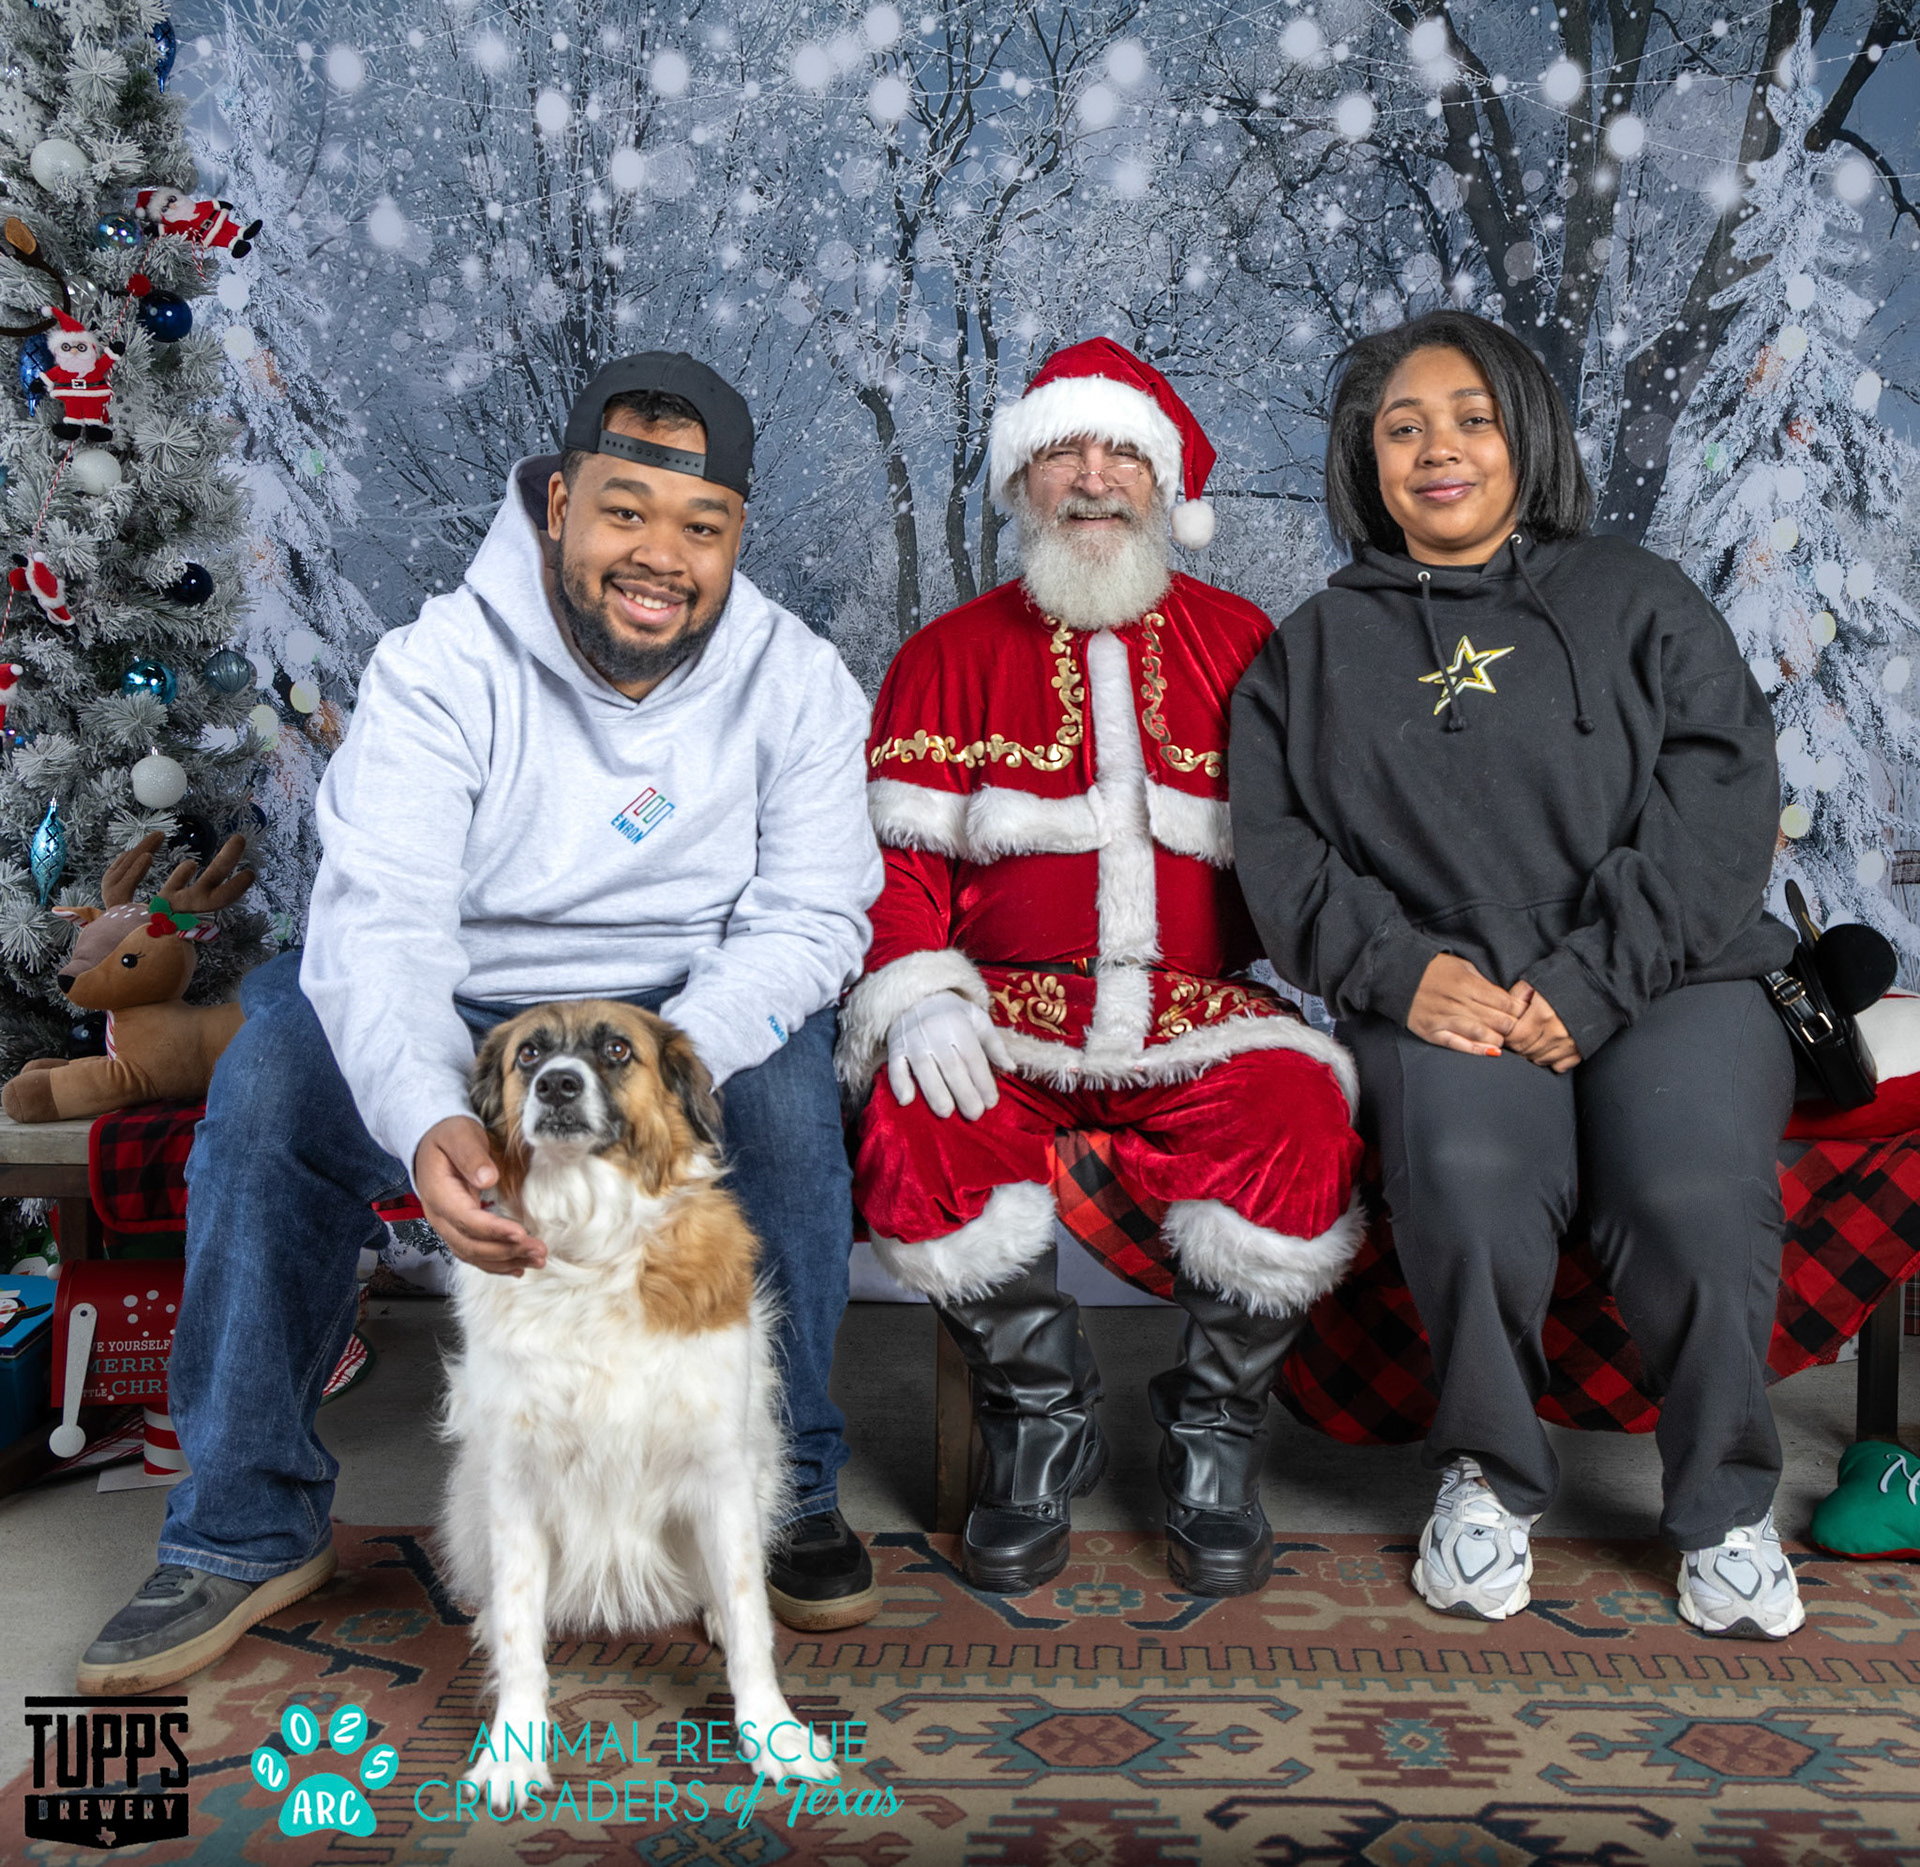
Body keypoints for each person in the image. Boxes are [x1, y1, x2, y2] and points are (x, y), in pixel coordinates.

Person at [78, 353, 885, 1695]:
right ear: (559, 503)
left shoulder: (797, 681)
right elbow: (380, 923)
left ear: (737, 535)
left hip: (684, 1011)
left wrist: (673, 1056)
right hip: (460, 998)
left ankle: (784, 1483)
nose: (662, 557)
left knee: (791, 1110)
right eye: (625, 511)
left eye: (702, 527)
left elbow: (812, 916)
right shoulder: (440, 666)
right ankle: (243, 1522)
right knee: (272, 1083)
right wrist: (426, 1113)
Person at [1230, 309, 1804, 1638]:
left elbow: (1722, 801)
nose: (1440, 449)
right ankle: (1488, 1476)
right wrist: (1396, 969)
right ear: (1366, 460)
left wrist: (1598, 978)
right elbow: (1283, 853)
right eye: (1404, 427)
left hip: (1674, 972)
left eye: (1471, 419)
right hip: (1449, 990)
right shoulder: (1308, 653)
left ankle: (1725, 1504)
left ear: (1524, 437)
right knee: (1472, 1171)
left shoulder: (1640, 596)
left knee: (1688, 1188)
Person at [843, 338, 1365, 1598]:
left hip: (1202, 1012)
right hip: (1006, 1009)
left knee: (1303, 1112)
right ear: (1021, 482)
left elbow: (1314, 860)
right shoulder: (947, 654)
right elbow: (896, 867)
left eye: (1121, 452)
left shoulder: (1246, 646)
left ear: (1164, 484)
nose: (1091, 477)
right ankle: (1036, 1411)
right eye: (1062, 453)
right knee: (915, 1120)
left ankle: (1216, 1429)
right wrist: (917, 997)